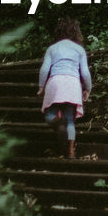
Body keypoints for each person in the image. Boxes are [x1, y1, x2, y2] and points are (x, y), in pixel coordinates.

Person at [37, 17, 92, 159]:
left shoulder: (52, 49)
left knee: (50, 116)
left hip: (55, 83)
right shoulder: (79, 49)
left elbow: (44, 69)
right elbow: (85, 72)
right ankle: (71, 151)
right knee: (70, 120)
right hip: (73, 84)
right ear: (76, 32)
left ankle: (57, 122)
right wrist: (88, 88)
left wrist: (41, 87)